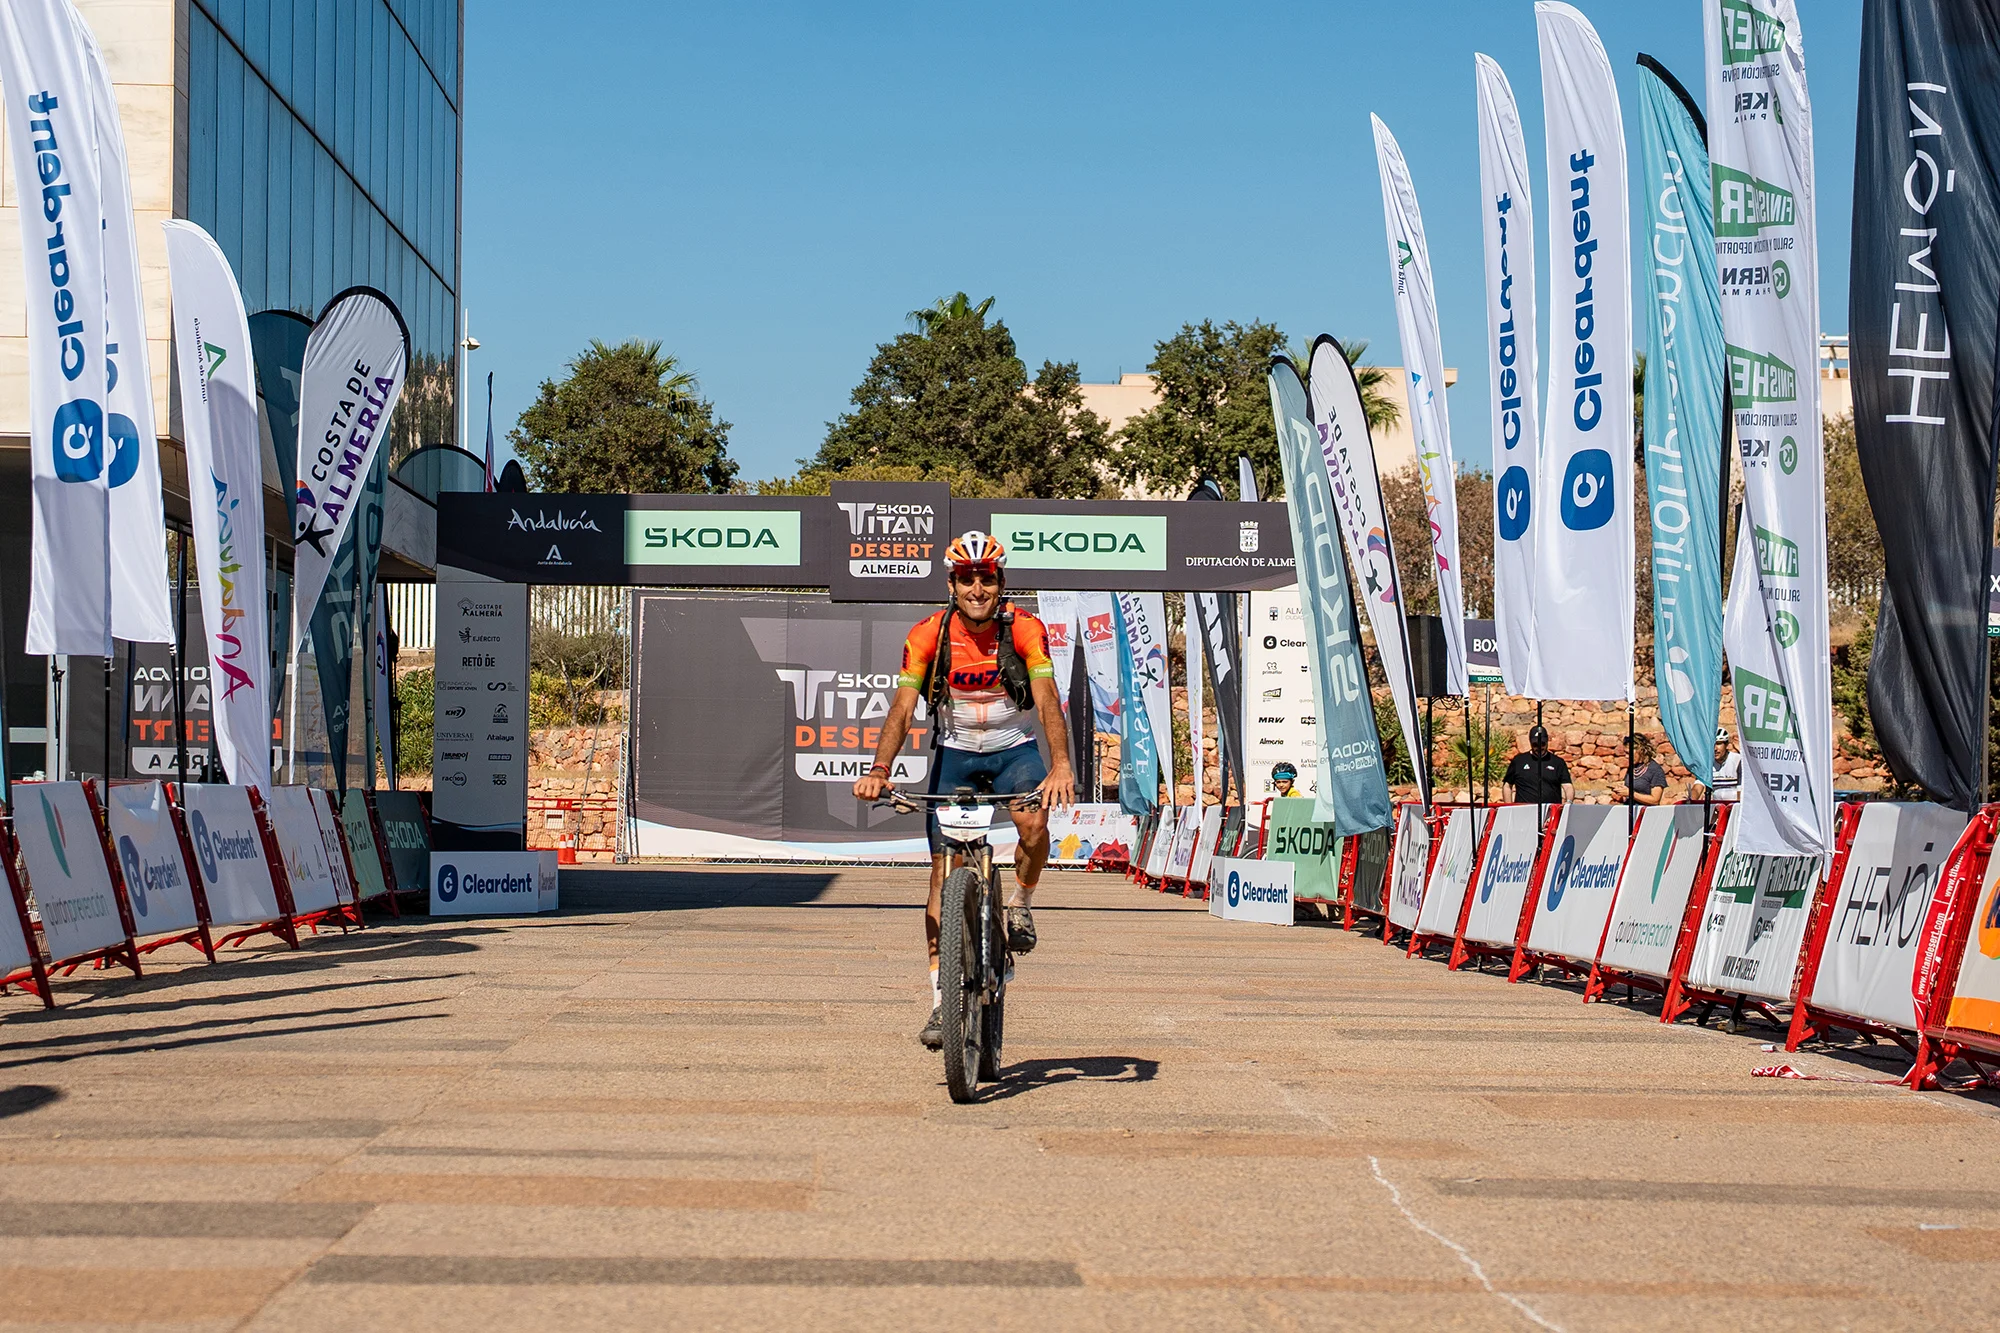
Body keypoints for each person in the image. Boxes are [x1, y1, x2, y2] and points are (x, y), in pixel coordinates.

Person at [852, 532, 1076, 1049]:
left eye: (987, 578)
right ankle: (938, 1001)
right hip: (955, 755)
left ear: (1001, 583)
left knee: (1033, 824)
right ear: (951, 585)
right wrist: (880, 769)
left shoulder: (1024, 628)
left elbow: (1046, 700)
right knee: (939, 875)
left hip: (1011, 749)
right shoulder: (929, 633)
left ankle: (1020, 901)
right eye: (967, 579)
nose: (978, 587)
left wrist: (1060, 765)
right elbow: (903, 706)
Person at [1503, 725, 1573, 805]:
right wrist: (1508, 806)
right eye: (1535, 744)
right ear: (1530, 743)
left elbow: (1568, 786)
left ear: (1547, 742)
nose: (1539, 747)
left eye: (1542, 744)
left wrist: (1569, 802)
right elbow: (1507, 785)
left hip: (1550, 812)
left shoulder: (1558, 762)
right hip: (1523, 812)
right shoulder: (1518, 761)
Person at [1611, 733, 1668, 806]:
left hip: (1645, 813)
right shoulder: (1634, 767)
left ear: (1640, 750)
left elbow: (1655, 800)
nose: (1626, 756)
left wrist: (1631, 793)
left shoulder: (1655, 770)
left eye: (1628, 753)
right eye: (1625, 753)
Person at [1690, 728, 1742, 802]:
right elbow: (1697, 788)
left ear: (1727, 745)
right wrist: (1690, 799)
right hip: (1716, 806)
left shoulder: (1738, 760)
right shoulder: (1707, 764)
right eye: (1712, 744)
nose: (1715, 748)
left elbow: (1741, 790)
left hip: (1734, 805)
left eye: (1718, 744)